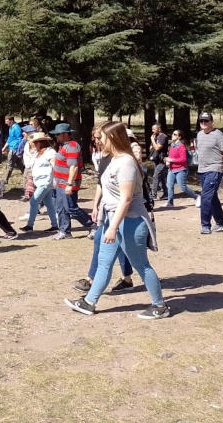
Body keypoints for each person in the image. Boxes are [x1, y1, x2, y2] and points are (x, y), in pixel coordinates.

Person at [64, 121, 168, 319]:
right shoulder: (112, 159)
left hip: (130, 221)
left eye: (101, 137)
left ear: (112, 137)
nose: (98, 140)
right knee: (104, 263)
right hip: (112, 220)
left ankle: (160, 306)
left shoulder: (127, 162)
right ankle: (89, 302)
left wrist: (112, 228)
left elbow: (126, 199)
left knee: (141, 265)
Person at [73, 123, 134, 295]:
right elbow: (102, 183)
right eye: (95, 137)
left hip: (123, 211)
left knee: (105, 241)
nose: (96, 141)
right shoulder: (105, 157)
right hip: (107, 209)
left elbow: (128, 194)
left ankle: (92, 280)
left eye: (100, 137)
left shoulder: (125, 159)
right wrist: (95, 205)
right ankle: (126, 278)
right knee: (117, 245)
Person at [50, 123, 94, 239]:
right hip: (60, 182)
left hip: (68, 183)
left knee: (70, 207)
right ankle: (64, 231)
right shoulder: (63, 146)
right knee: (60, 207)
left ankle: (93, 225)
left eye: (58, 134)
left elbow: (73, 167)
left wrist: (69, 184)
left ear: (65, 134)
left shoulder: (72, 146)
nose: (56, 137)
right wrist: (56, 178)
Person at [194, 111, 223, 234]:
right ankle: (220, 221)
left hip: (214, 169)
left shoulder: (218, 134)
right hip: (202, 170)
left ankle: (205, 225)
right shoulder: (199, 134)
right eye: (201, 121)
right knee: (212, 197)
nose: (203, 123)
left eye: (206, 121)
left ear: (212, 122)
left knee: (205, 196)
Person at [20, 132, 58, 232]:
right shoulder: (37, 153)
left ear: (41, 142)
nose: (34, 144)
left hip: (46, 181)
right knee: (49, 203)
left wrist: (55, 178)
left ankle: (30, 225)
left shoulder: (50, 152)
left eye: (36, 142)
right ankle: (55, 225)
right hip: (39, 181)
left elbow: (54, 165)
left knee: (34, 200)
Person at [164, 130, 199, 207]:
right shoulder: (172, 145)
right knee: (169, 186)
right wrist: (167, 159)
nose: (172, 135)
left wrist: (172, 160)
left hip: (181, 169)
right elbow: (172, 157)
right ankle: (170, 202)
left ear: (179, 137)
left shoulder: (181, 146)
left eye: (175, 134)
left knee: (182, 187)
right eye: (172, 133)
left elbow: (183, 159)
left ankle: (197, 197)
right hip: (171, 169)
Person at [148, 123, 169, 201]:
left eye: (154, 129)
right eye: (152, 129)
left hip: (162, 160)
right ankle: (166, 194)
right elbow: (151, 147)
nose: (152, 131)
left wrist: (153, 140)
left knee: (156, 176)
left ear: (159, 129)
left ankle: (154, 195)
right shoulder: (155, 136)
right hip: (156, 159)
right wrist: (153, 142)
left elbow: (157, 148)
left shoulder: (163, 137)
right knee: (162, 177)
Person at [2, 115, 24, 184]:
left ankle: (5, 180)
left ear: (11, 120)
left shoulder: (16, 127)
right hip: (12, 147)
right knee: (19, 164)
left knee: (10, 164)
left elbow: (20, 139)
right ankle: (27, 177)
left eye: (7, 121)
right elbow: (10, 138)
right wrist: (4, 147)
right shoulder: (11, 128)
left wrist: (19, 149)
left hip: (14, 148)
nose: (6, 123)